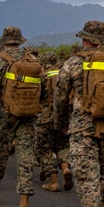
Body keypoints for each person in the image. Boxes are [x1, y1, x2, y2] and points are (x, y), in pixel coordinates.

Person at [54, 20, 104, 207]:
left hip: (82, 127)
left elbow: (61, 98)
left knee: (87, 176)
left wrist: (61, 124)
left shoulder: (73, 63)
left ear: (84, 38)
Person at [0, 27, 39, 207]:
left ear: (3, 42)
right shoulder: (33, 60)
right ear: (20, 41)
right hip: (28, 114)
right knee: (26, 155)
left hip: (5, 115)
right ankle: (24, 201)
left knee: (0, 154)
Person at [36, 52, 72, 194]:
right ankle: (65, 168)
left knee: (45, 149)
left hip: (45, 117)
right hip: (63, 116)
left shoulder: (42, 78)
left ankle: (53, 181)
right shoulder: (64, 75)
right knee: (62, 146)